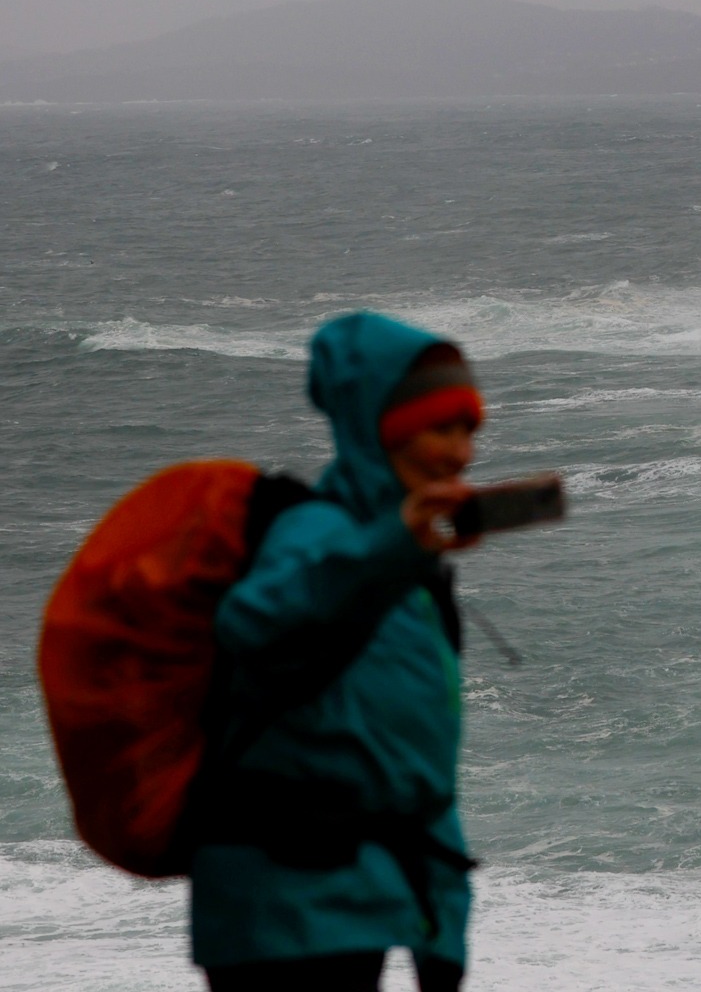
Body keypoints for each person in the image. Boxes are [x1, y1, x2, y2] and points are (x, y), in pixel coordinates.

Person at [189, 312, 486, 991]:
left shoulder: (410, 568)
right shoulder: (312, 533)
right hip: (284, 908)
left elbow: (419, 771)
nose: (462, 453)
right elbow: (253, 621)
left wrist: (443, 929)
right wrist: (393, 546)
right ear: (382, 428)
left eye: (469, 430)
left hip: (360, 899)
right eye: (442, 427)